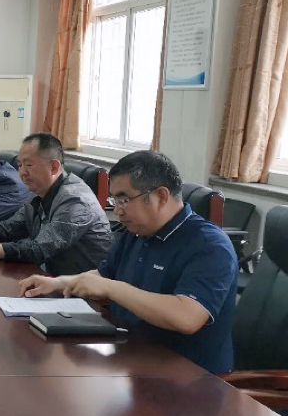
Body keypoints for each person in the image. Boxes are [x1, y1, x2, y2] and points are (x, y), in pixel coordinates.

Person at [19, 151, 238, 374]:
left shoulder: (210, 245)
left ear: (161, 196)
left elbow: (187, 317)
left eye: (124, 200)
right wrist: (58, 283)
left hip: (188, 376)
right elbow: (104, 276)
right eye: (114, 200)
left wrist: (112, 288)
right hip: (130, 355)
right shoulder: (138, 231)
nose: (117, 210)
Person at [0, 132, 112, 276]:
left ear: (54, 167)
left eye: (29, 165)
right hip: (48, 277)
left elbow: (38, 249)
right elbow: (8, 228)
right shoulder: (40, 192)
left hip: (81, 292)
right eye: (20, 165)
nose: (22, 172)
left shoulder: (75, 200)